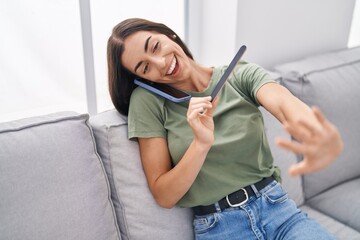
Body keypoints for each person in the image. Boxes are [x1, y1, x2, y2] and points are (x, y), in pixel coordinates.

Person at [107, 18, 343, 240]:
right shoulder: (148, 102)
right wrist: (200, 144)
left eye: (156, 46)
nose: (160, 63)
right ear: (143, 79)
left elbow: (283, 104)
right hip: (221, 228)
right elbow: (164, 195)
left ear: (169, 35)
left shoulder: (240, 74)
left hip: (280, 211)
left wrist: (314, 130)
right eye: (145, 67)